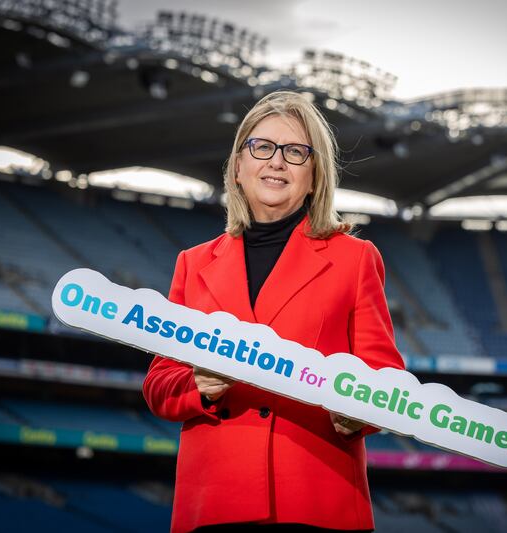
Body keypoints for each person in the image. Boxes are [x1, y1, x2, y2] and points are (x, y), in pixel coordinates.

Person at [143, 90, 404, 532]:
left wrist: (359, 410)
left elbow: (386, 379)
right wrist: (199, 384)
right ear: (238, 167)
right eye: (261, 147)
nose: (276, 162)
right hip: (215, 504)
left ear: (316, 175)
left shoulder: (356, 259)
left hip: (315, 499)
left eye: (296, 152)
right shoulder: (193, 263)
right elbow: (158, 384)